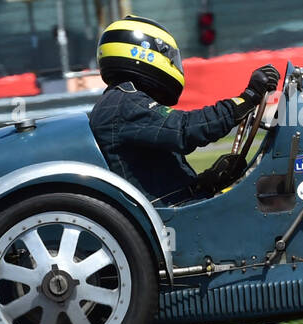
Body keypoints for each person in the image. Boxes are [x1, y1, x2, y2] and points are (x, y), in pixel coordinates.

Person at [87, 17, 280, 203]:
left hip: (172, 211)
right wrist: (247, 98)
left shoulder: (119, 101)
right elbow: (186, 129)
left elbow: (156, 178)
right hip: (171, 221)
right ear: (145, 52)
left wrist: (208, 182)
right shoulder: (126, 103)